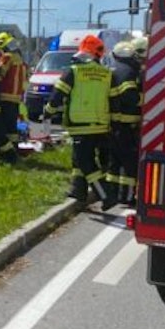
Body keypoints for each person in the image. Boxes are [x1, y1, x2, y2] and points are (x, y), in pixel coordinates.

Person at [44, 34, 115, 209]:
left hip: (80, 124)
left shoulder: (74, 71)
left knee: (85, 162)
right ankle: (78, 190)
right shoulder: (107, 73)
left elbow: (57, 96)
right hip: (101, 124)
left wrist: (48, 111)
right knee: (78, 158)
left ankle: (105, 195)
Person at [105, 41, 143, 206]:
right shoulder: (129, 72)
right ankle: (127, 196)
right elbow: (131, 98)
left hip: (113, 123)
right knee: (129, 163)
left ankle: (112, 194)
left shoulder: (112, 70)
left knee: (115, 162)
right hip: (127, 124)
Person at [0, 32, 29, 146]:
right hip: (16, 98)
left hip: (5, 96)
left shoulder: (7, 57)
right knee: (12, 126)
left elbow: (0, 73)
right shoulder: (21, 60)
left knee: (2, 125)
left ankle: (4, 151)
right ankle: (14, 149)